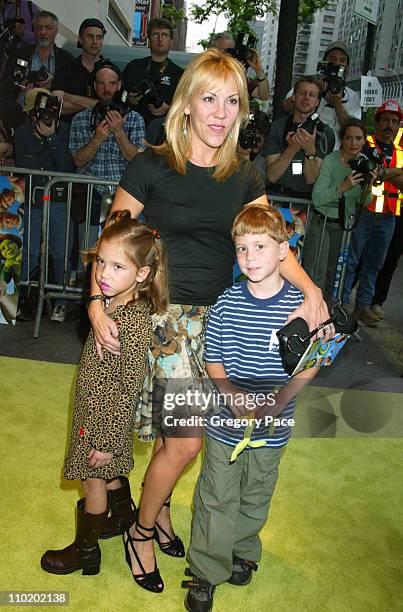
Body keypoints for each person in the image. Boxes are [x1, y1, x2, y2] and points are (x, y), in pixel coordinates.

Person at [88, 49, 330, 594]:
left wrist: (311, 290)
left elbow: (271, 241)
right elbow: (112, 246)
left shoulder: (243, 173)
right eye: (209, 98)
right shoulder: (150, 164)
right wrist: (95, 302)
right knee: (188, 441)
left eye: (232, 102)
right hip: (165, 325)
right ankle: (140, 531)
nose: (221, 113)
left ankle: (160, 511)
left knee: (174, 440)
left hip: (223, 325)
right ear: (186, 105)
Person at [183, 204, 319, 612]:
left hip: (274, 425)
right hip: (226, 423)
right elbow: (214, 359)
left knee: (257, 491)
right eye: (242, 249)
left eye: (260, 247)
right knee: (216, 494)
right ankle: (206, 570)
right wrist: (230, 395)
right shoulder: (226, 304)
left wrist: (280, 400)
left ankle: (244, 549)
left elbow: (310, 363)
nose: (250, 257)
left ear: (283, 250)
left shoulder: (299, 308)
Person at [40, 211, 169, 576]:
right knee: (106, 475)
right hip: (92, 409)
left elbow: (127, 388)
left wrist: (109, 440)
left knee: (91, 481)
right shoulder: (112, 304)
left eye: (117, 267)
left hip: (103, 422)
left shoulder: (132, 320)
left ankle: (86, 552)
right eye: (101, 263)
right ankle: (123, 517)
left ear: (142, 274)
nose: (103, 275)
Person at [69, 60, 145, 267]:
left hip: (123, 196)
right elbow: (78, 159)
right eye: (101, 83)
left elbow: (136, 160)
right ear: (94, 86)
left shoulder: (135, 120)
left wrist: (119, 132)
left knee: (121, 254)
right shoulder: (80, 120)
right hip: (88, 196)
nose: (106, 89)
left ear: (119, 85)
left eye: (111, 84)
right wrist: (98, 138)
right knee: (87, 253)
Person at [14, 87, 73, 323]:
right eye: (39, 114)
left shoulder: (64, 131)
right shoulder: (21, 133)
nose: (44, 118)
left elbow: (67, 167)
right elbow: (23, 162)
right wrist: (41, 138)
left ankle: (60, 302)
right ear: (31, 114)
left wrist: (51, 137)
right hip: (31, 200)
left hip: (58, 200)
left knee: (61, 253)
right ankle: (21, 301)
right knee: (28, 252)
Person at [342, 100, 403, 327]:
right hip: (363, 211)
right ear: (377, 122)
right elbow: (370, 174)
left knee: (375, 264)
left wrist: (389, 171)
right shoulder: (365, 144)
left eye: (394, 122)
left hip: (388, 216)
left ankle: (363, 306)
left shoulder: (399, 151)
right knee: (352, 259)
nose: (389, 125)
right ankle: (342, 304)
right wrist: (394, 174)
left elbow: (383, 175)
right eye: (385, 120)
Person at [302, 118, 373, 302]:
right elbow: (317, 198)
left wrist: (369, 184)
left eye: (358, 138)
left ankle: (328, 315)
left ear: (364, 141)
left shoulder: (364, 162)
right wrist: (342, 187)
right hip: (322, 222)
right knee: (316, 271)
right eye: (349, 138)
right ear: (342, 140)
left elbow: (365, 201)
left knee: (335, 275)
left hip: (344, 226)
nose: (353, 143)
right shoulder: (331, 160)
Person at [264, 76, 335, 200]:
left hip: (305, 203)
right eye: (302, 93)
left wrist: (310, 151)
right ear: (294, 97)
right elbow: (272, 176)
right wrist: (291, 150)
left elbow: (312, 179)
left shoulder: (325, 133)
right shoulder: (277, 128)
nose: (306, 97)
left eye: (312, 95)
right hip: (277, 199)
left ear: (317, 102)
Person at [283, 41, 361, 150]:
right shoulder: (309, 84)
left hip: (334, 156)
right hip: (302, 149)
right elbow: (286, 107)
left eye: (342, 60)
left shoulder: (352, 96)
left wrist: (337, 104)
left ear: (347, 66)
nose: (337, 64)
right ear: (325, 62)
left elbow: (353, 131)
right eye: (333, 59)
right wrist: (315, 91)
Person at [0, 10, 72, 103]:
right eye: (39, 28)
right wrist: (19, 88)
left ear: (56, 31)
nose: (43, 32)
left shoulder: (67, 60)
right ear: (34, 30)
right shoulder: (18, 55)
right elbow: (4, 86)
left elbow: (72, 91)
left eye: (48, 28)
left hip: (52, 110)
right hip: (19, 109)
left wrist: (53, 84)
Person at [123, 18, 183, 126]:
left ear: (171, 41)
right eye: (155, 35)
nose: (160, 39)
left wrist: (169, 110)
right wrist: (128, 100)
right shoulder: (133, 67)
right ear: (149, 39)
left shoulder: (180, 74)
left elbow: (187, 108)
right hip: (132, 129)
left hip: (163, 132)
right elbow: (117, 97)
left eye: (164, 35)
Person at [52, 18, 106, 123]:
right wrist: (96, 104)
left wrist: (69, 97)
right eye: (90, 36)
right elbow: (56, 104)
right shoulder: (66, 67)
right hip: (67, 128)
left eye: (99, 37)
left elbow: (112, 107)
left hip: (100, 130)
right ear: (80, 39)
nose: (95, 42)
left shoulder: (109, 70)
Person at [209, 31, 270, 102]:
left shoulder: (241, 77)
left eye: (233, 50)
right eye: (226, 50)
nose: (231, 54)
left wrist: (259, 70)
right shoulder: (204, 75)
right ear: (212, 53)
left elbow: (264, 96)